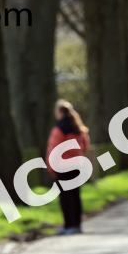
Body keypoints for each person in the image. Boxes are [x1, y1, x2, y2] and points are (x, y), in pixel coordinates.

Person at [46, 100, 89, 234]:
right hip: (77, 166)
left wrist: (51, 167)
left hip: (63, 167)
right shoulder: (79, 129)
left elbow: (53, 149)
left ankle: (68, 225)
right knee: (76, 195)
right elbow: (85, 147)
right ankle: (77, 225)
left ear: (60, 112)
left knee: (66, 197)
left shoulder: (59, 129)